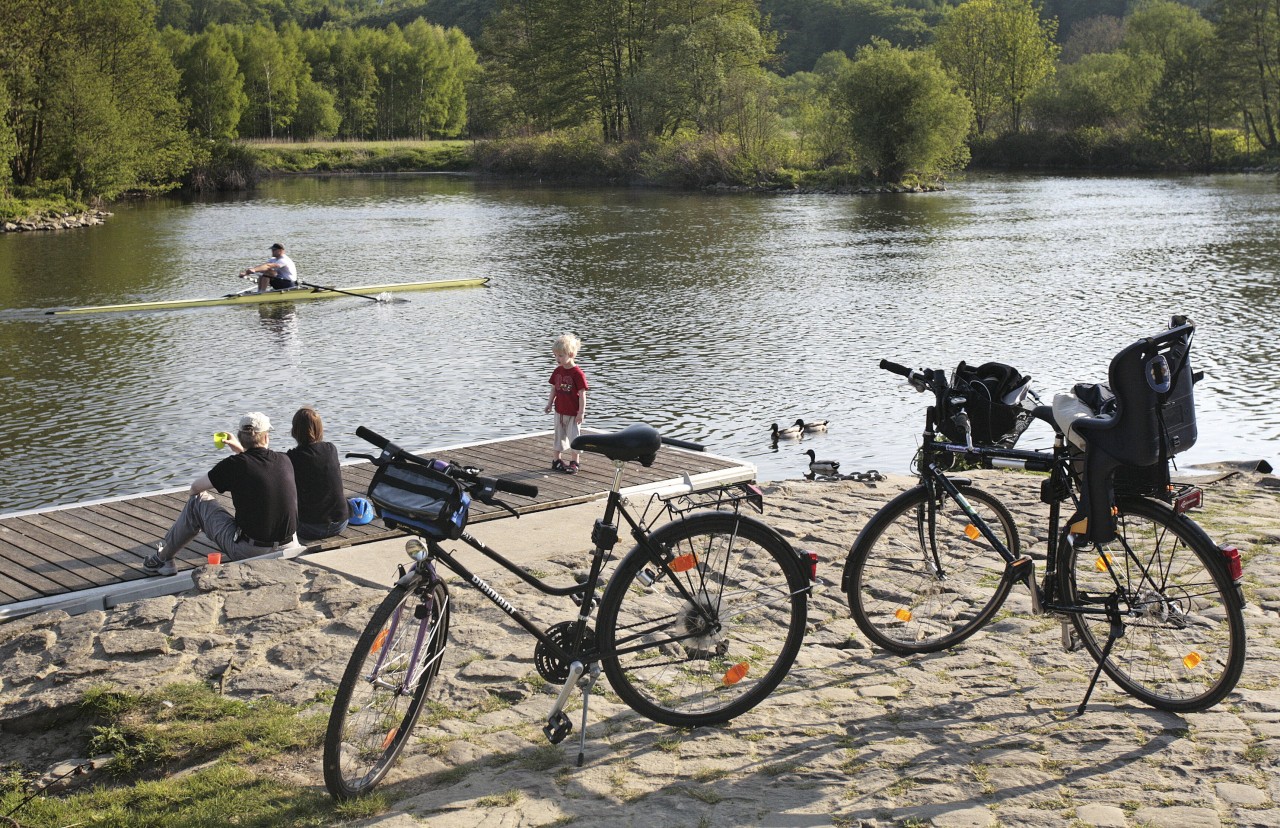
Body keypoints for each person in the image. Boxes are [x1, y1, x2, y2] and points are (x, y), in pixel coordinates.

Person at [144, 412, 300, 575]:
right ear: (266, 437)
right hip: (289, 547)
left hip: (251, 552)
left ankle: (163, 559)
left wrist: (237, 457)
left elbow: (195, 488)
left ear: (240, 437)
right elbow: (258, 466)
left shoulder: (234, 465)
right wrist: (240, 451)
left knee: (197, 501)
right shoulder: (284, 460)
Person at [286, 406, 349, 542]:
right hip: (341, 523)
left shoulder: (292, 457)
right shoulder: (331, 449)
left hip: (309, 528)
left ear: (294, 431)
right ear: (320, 429)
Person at [543, 332, 588, 474]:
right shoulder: (558, 371)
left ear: (571, 354)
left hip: (573, 413)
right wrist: (550, 403)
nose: (557, 358)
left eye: (561, 355)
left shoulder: (577, 373)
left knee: (574, 437)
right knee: (559, 436)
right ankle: (556, 460)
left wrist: (581, 412)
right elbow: (554, 389)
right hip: (559, 411)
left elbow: (582, 395)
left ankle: (575, 462)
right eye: (556, 355)